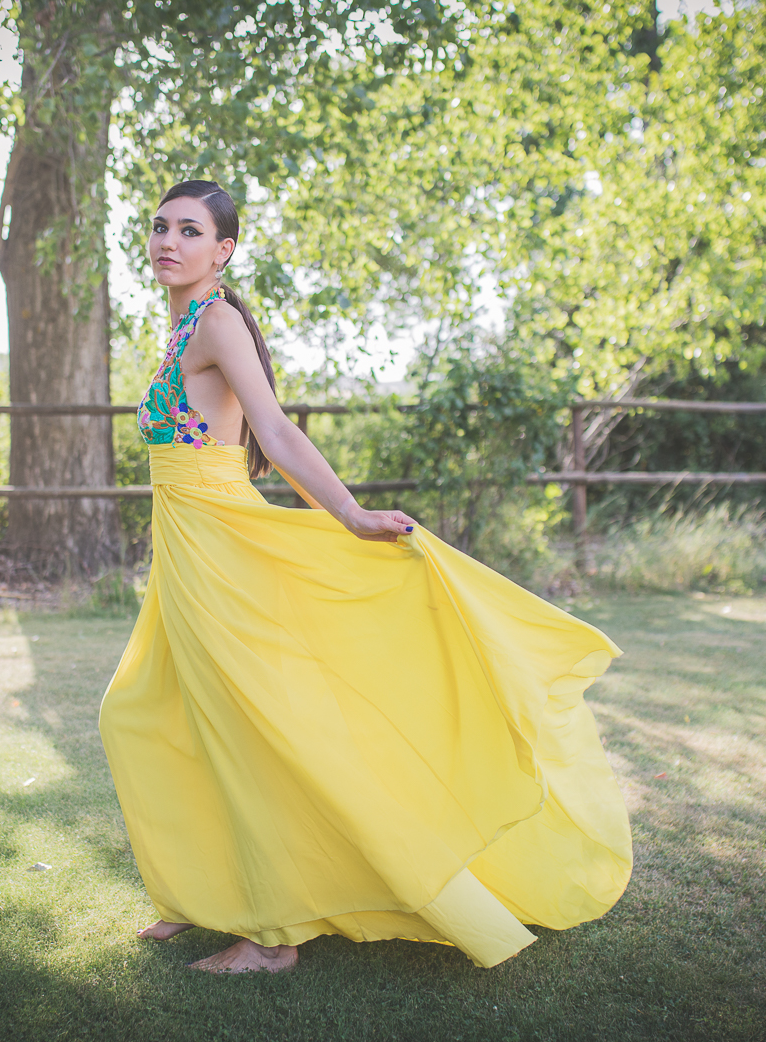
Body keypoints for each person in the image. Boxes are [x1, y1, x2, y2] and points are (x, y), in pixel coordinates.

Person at [98, 179, 631, 974]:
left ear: (224, 250)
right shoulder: (179, 327)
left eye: (189, 230)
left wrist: (349, 515)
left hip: (221, 544)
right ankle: (195, 894)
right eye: (160, 227)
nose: (167, 241)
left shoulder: (215, 320)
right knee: (154, 708)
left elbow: (273, 429)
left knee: (245, 730)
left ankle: (273, 938)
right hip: (183, 546)